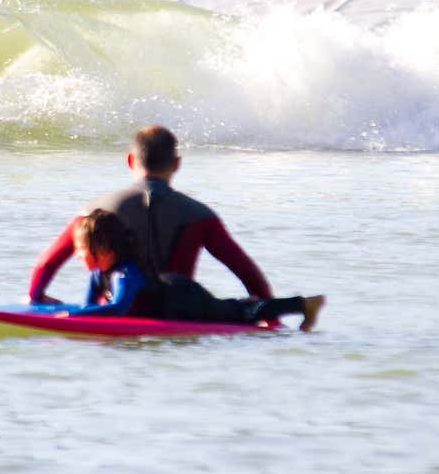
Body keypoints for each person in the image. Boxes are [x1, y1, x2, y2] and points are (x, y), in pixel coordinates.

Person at [27, 125, 323, 331]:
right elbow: (247, 273)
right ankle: (286, 307)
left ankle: (294, 305)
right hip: (180, 315)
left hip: (137, 312)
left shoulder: (94, 212)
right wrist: (268, 319)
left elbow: (45, 265)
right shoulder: (199, 214)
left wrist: (36, 298)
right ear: (177, 163)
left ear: (130, 160)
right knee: (234, 308)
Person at [70, 209, 319, 325]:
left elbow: (118, 308)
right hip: (168, 292)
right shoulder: (97, 275)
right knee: (234, 309)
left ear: (104, 250)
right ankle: (255, 303)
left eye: (81, 248)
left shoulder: (126, 274)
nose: (77, 254)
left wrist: (72, 317)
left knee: (236, 313)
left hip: (182, 298)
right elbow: (88, 308)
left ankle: (303, 304)